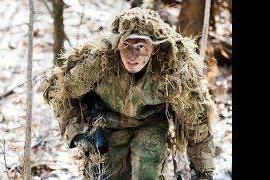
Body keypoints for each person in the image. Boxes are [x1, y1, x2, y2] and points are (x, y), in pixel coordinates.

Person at [44, 7, 218, 180]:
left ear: (154, 49)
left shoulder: (172, 71)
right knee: (108, 175)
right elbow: (60, 93)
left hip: (151, 122)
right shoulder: (97, 63)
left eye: (141, 46)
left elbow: (197, 121)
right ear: (117, 44)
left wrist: (204, 172)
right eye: (126, 44)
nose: (131, 55)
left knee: (148, 172)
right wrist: (78, 131)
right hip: (108, 121)